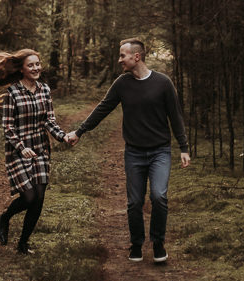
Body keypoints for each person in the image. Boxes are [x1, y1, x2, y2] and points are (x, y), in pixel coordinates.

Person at [65, 38, 190, 264]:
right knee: (134, 202)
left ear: (137, 57)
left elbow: (176, 116)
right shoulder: (122, 83)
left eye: (123, 55)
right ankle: (136, 245)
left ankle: (158, 243)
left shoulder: (163, 83)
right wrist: (80, 131)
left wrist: (184, 147)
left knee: (159, 196)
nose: (120, 60)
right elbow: (103, 109)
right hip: (134, 153)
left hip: (160, 151)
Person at [0, 48, 68, 254]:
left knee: (39, 198)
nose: (36, 68)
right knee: (28, 197)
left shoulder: (45, 90)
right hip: (18, 151)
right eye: (30, 65)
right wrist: (22, 148)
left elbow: (49, 121)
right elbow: (8, 127)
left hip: (40, 149)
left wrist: (63, 136)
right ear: (21, 69)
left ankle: (23, 243)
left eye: (37, 64)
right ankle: (4, 218)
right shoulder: (13, 93)